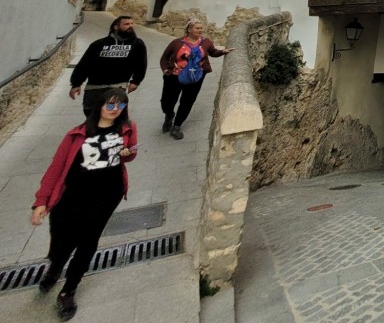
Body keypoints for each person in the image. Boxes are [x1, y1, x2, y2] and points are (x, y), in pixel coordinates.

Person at [32, 87, 138, 321]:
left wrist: (128, 153)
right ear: (99, 105)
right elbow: (56, 168)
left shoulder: (127, 128)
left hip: (107, 196)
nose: (114, 110)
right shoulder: (76, 135)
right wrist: (41, 201)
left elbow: (129, 155)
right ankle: (56, 266)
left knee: (88, 242)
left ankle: (69, 290)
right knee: (62, 239)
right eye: (110, 105)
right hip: (72, 197)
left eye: (120, 106)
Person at [158, 19, 234, 140]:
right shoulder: (176, 43)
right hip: (174, 77)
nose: (200, 30)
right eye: (197, 28)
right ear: (189, 29)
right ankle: (169, 115)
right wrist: (166, 70)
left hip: (196, 77)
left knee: (187, 101)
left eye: (201, 28)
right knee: (167, 102)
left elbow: (212, 52)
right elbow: (164, 58)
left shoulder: (206, 42)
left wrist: (223, 51)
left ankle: (177, 126)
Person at [69, 16, 147, 117]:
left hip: (118, 86)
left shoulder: (137, 44)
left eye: (132, 23)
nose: (130, 26)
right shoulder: (98, 44)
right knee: (91, 113)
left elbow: (141, 64)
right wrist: (76, 83)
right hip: (94, 87)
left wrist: (136, 81)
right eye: (126, 24)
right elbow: (85, 64)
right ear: (116, 27)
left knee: (115, 115)